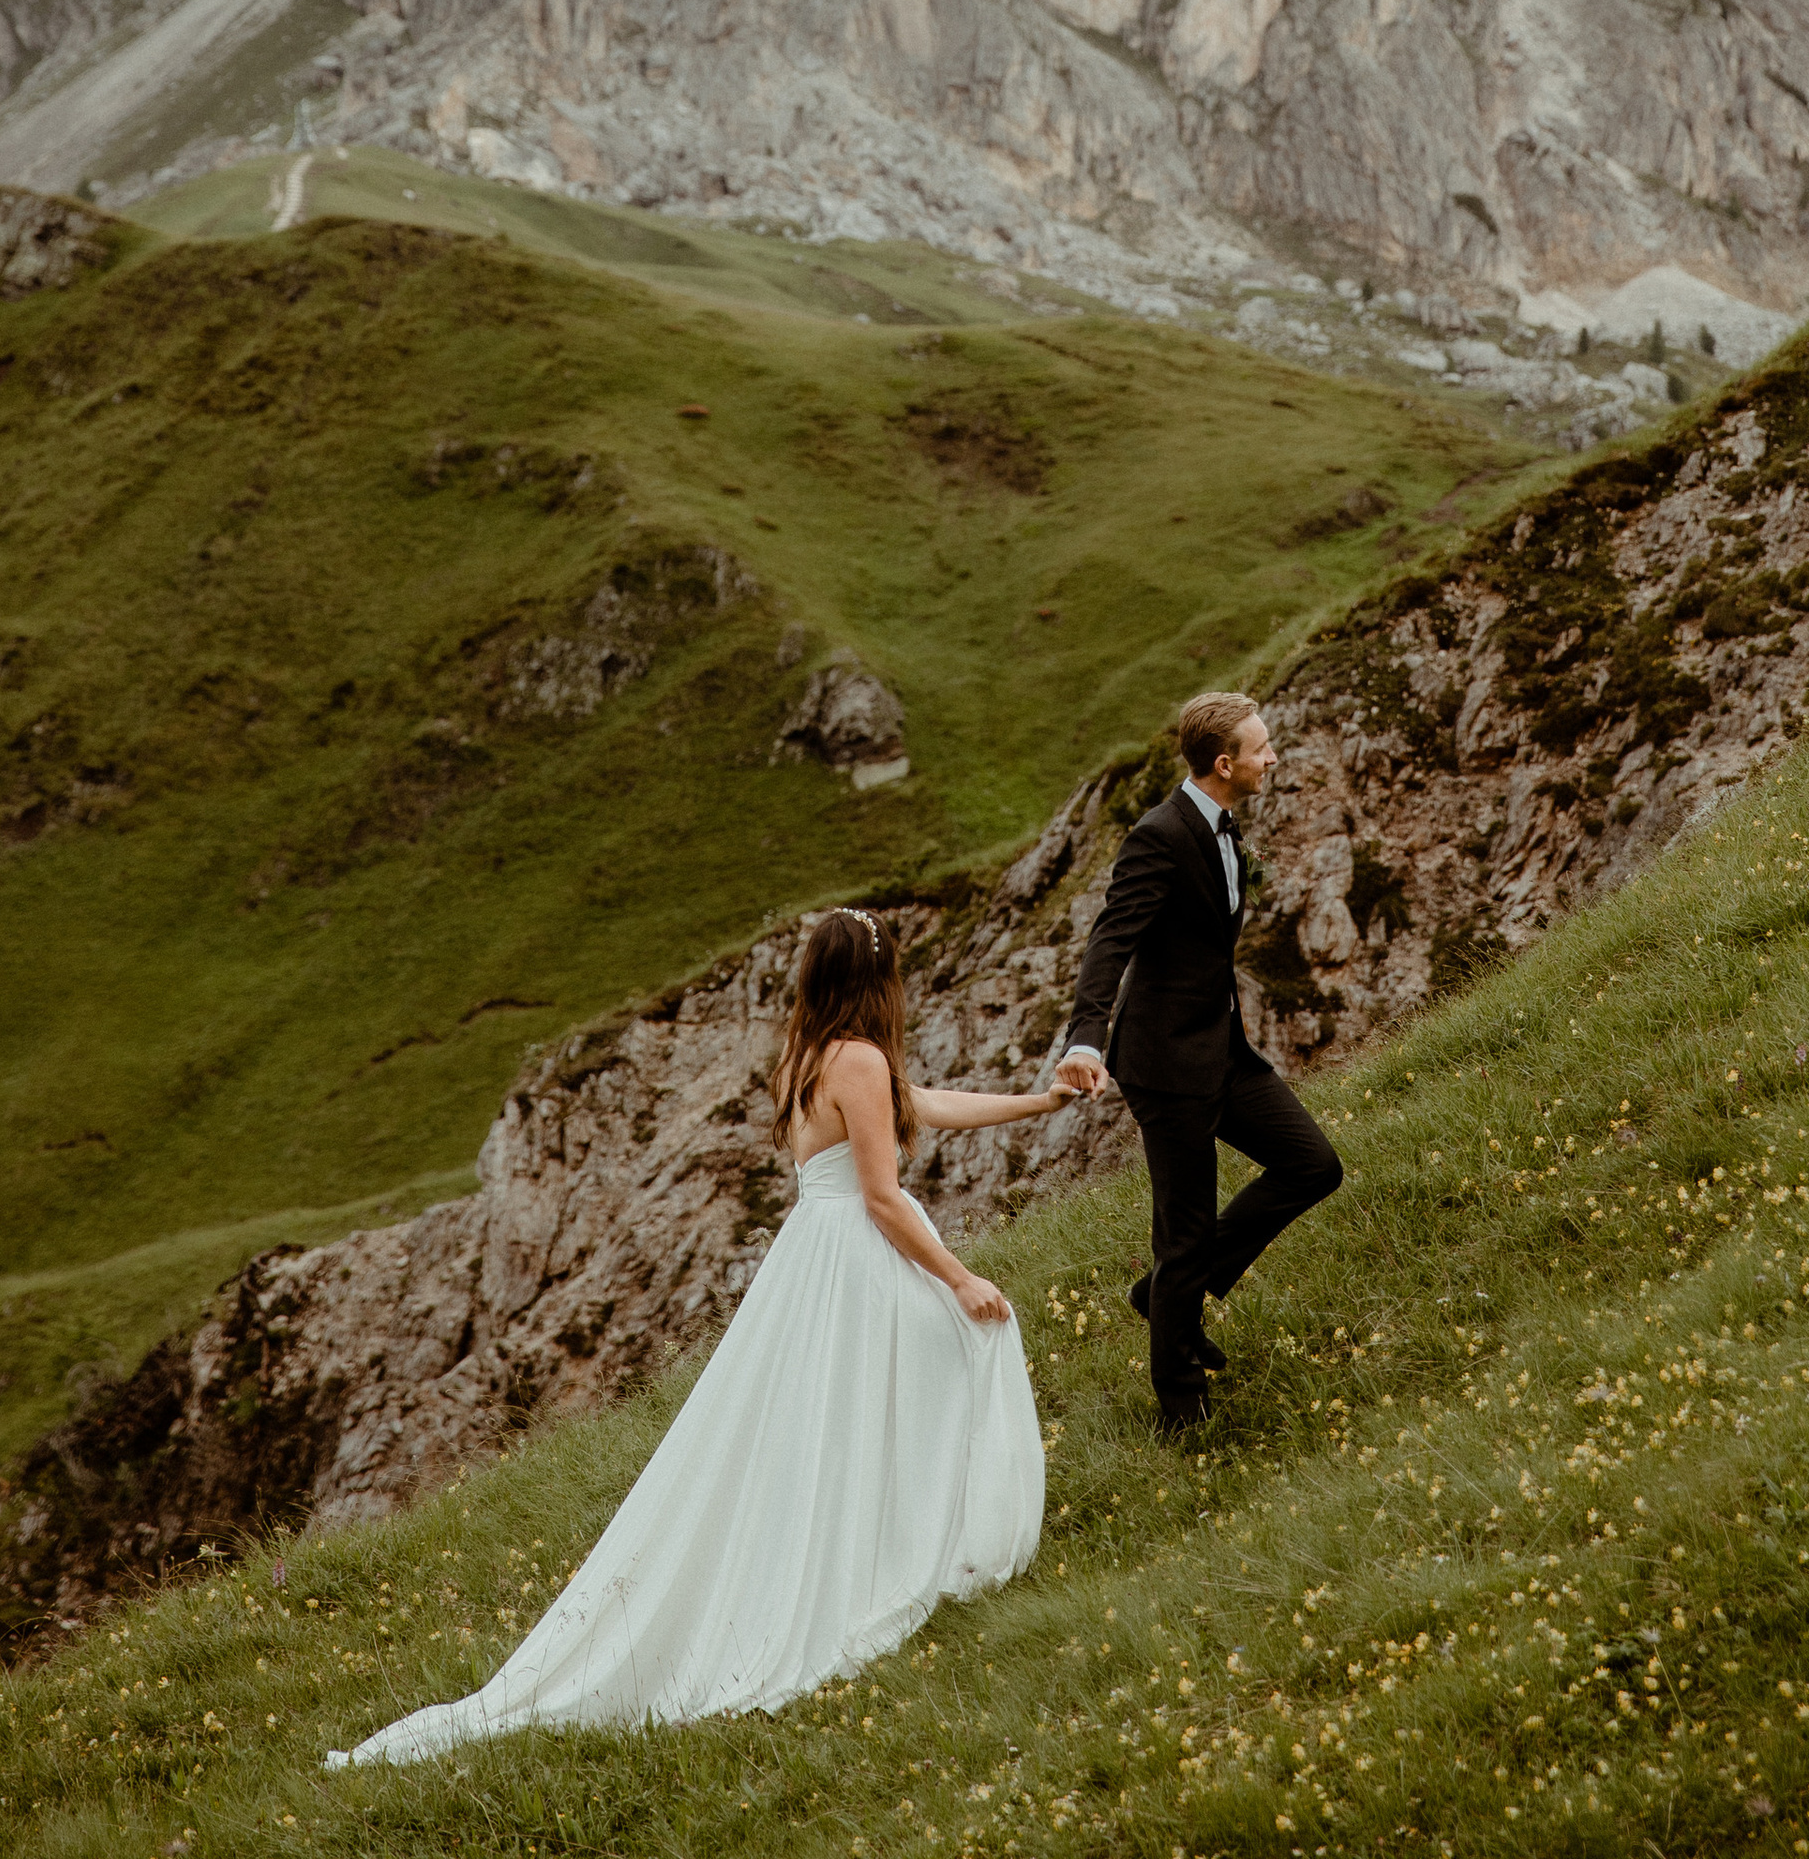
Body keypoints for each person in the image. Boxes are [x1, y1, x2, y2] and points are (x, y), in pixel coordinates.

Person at [326, 907, 1074, 1758]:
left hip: (812, 1257)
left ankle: (888, 1543)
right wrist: (960, 1274)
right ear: (876, 983)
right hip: (856, 1252)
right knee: (958, 1345)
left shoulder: (808, 1057)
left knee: (854, 1405)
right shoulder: (860, 1059)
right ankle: (920, 1553)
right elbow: (880, 1194)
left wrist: (1039, 1101)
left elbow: (925, 1104)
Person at [1054, 692, 1343, 1432]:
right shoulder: (1158, 836)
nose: (1272, 757)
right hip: (1165, 1066)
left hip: (1222, 1050)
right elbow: (1110, 939)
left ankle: (1166, 1294)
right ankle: (1180, 1406)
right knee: (1183, 1233)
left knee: (1313, 1165)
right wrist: (1086, 1037)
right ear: (1226, 764)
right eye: (1262, 748)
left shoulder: (1222, 825)